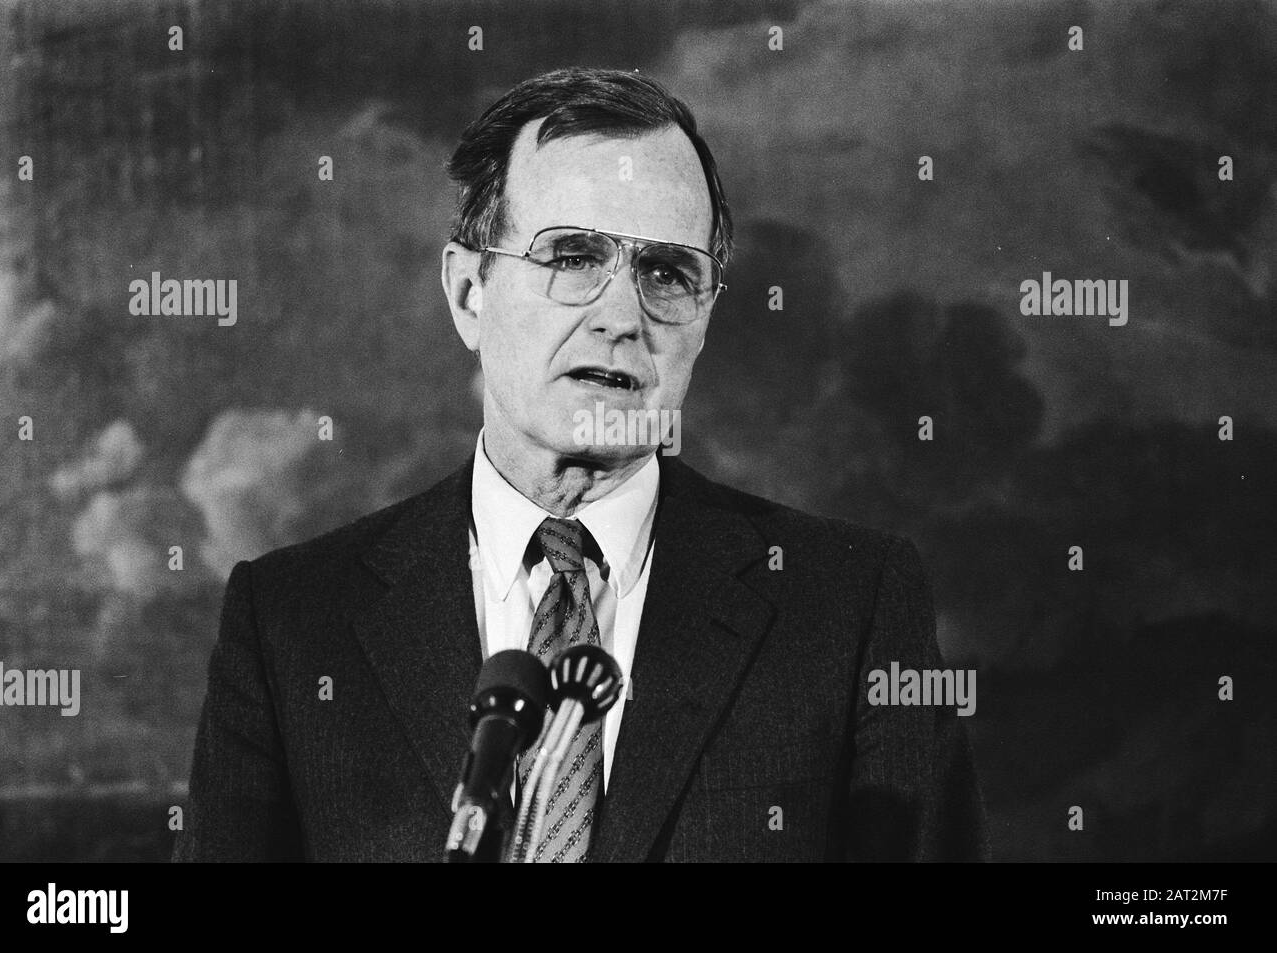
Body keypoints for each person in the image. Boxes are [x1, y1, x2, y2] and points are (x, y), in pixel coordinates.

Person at [173, 66, 988, 862]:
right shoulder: (289, 624)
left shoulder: (850, 608)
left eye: (667, 273)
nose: (621, 315)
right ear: (468, 292)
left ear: (705, 318)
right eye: (571, 256)